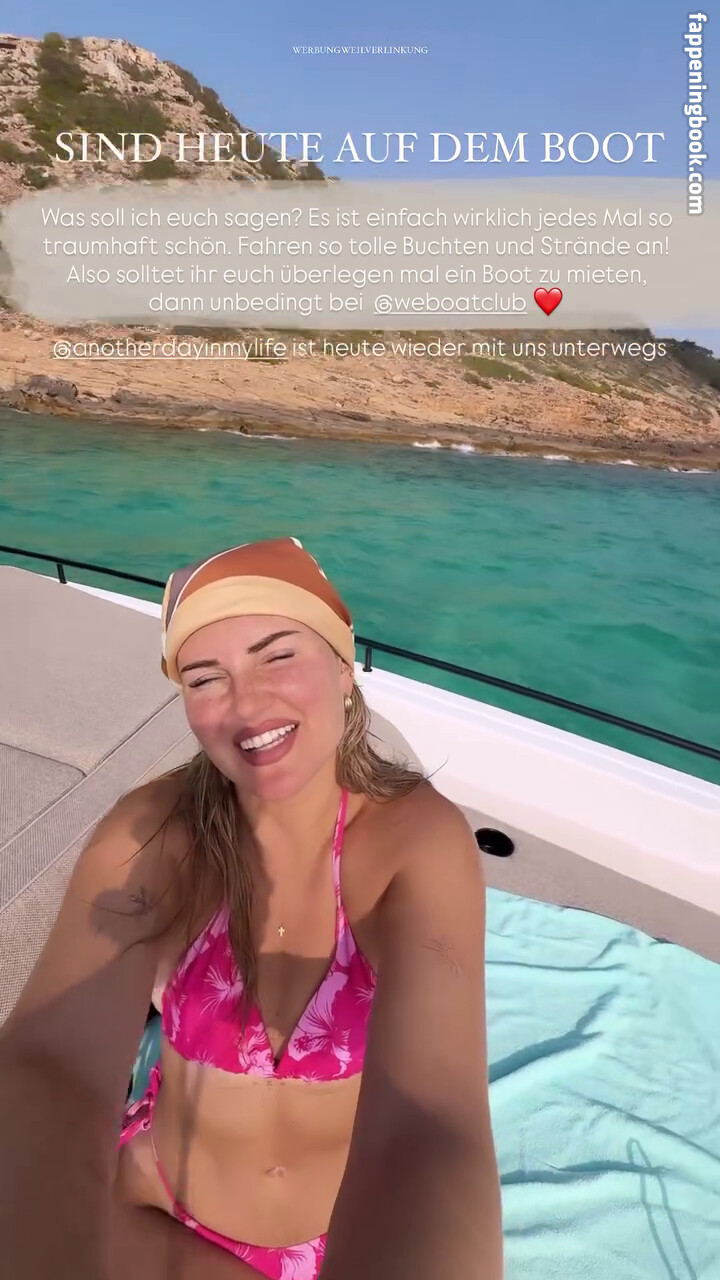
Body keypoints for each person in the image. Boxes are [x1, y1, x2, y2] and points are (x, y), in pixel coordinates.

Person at [0, 536, 503, 1280]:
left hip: (335, 1242)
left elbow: (428, 1128)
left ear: (343, 666)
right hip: (152, 1210)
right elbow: (54, 1060)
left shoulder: (415, 843)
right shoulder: (156, 834)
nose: (245, 704)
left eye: (277, 656)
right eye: (206, 679)